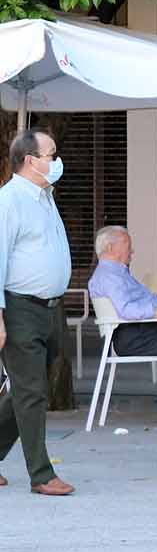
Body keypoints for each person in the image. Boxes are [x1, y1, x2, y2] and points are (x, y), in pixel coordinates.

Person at [0, 129, 75, 495]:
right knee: (30, 392)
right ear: (31, 160)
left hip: (49, 309)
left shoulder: (45, 196)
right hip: (19, 308)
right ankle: (42, 474)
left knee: (30, 389)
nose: (56, 161)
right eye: (51, 154)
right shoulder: (9, 200)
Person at [86, 224, 157, 358]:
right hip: (135, 337)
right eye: (128, 245)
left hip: (142, 329)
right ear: (110, 248)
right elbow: (126, 310)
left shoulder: (116, 273)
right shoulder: (109, 278)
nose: (132, 251)